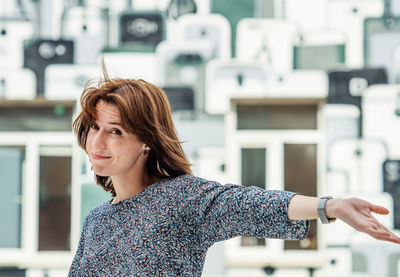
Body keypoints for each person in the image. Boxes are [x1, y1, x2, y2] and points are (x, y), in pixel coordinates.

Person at [68, 64, 400, 276]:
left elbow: (248, 204)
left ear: (146, 142)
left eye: (115, 131)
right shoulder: (97, 220)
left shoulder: (182, 197)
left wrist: (330, 206)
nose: (98, 143)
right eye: (94, 128)